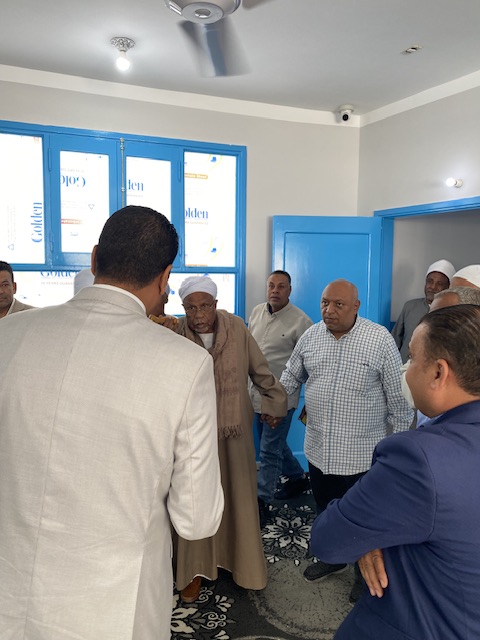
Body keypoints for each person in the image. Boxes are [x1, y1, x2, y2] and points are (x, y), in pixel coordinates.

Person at [0, 206, 224, 640]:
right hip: (114, 603)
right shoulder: (185, 363)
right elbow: (196, 519)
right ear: (165, 277)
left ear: (94, 258)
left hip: (11, 586)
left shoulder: (8, 335)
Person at [310, 304, 480, 640]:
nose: (406, 369)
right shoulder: (313, 335)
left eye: (413, 359)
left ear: (438, 373)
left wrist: (365, 535)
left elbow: (328, 540)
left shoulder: (419, 460)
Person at [280, 279, 413, 602]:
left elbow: (399, 402)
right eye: (325, 302)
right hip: (318, 451)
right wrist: (270, 403)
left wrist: (396, 455)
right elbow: (291, 376)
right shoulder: (311, 336)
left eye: (338, 304)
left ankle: (362, 573)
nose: (329, 310)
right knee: (326, 510)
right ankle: (334, 557)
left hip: (362, 456)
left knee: (364, 519)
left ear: (356, 306)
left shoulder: (378, 339)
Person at [171, 275, 287, 604]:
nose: (198, 314)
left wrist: (275, 401)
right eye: (190, 308)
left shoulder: (236, 328)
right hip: (192, 434)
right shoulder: (175, 334)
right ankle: (194, 570)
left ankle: (241, 564)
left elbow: (259, 369)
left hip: (233, 431)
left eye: (204, 306)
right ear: (183, 308)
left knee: (237, 493)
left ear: (216, 304)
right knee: (194, 498)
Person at [248, 270, 312, 527]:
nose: (275, 290)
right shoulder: (256, 313)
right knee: (273, 444)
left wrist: (287, 401)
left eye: (281, 286)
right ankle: (297, 477)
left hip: (282, 397)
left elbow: (306, 365)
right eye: (271, 285)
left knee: (269, 450)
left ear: (290, 290)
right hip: (255, 393)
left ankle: (262, 502)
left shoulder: (301, 322)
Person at [391, 259, 455, 362]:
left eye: (439, 284)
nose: (433, 287)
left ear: (448, 287)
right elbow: (394, 342)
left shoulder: (454, 314)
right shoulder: (410, 307)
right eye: (430, 281)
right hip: (402, 368)